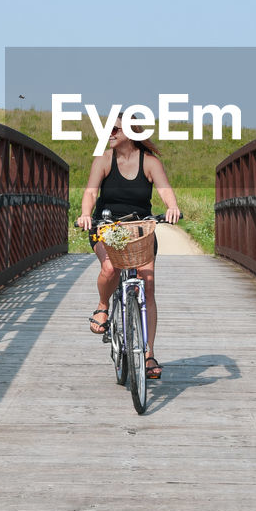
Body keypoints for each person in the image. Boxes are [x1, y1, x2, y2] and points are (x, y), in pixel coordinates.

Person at [75, 121, 180, 380]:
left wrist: (172, 206)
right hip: (106, 226)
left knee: (149, 283)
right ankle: (102, 306)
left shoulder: (150, 162)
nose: (108, 134)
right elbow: (90, 192)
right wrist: (86, 214)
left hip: (139, 229)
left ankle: (148, 354)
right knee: (110, 267)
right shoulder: (103, 160)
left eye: (115, 129)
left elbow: (165, 190)